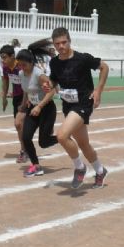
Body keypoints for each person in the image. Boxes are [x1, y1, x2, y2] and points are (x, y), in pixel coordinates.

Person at [48, 27, 109, 189]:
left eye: (64, 42)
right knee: (83, 144)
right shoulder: (54, 62)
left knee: (61, 136)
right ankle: (100, 170)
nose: (61, 46)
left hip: (83, 103)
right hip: (68, 105)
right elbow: (54, 80)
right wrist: (50, 85)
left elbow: (104, 67)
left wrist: (98, 90)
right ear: (54, 45)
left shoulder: (82, 59)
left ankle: (79, 167)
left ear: (69, 41)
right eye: (57, 44)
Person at [16, 43, 59, 177]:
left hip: (46, 109)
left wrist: (40, 106)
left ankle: (63, 137)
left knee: (44, 142)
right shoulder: (21, 74)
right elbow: (26, 91)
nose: (22, 67)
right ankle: (36, 166)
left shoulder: (39, 75)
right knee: (26, 137)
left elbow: (52, 91)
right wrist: (23, 105)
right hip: (32, 109)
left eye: (24, 65)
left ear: (31, 62)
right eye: (20, 64)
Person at [0, 44, 27, 163]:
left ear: (12, 56)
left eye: (5, 57)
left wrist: (25, 101)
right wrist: (4, 98)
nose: (3, 60)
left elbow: (28, 83)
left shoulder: (21, 67)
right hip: (16, 98)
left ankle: (24, 151)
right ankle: (25, 150)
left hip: (27, 97)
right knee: (19, 125)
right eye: (1, 58)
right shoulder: (6, 68)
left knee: (19, 124)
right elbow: (5, 81)